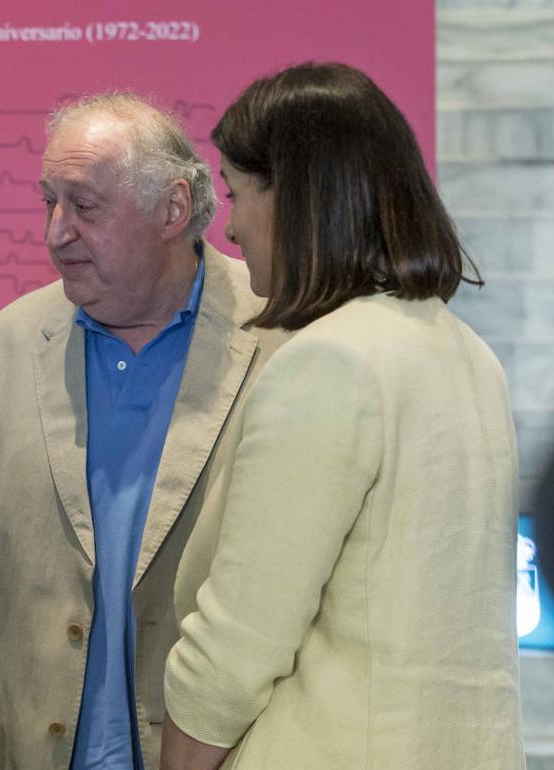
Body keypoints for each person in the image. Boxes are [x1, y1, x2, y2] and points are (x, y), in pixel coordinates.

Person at [160, 62, 524, 770]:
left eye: (237, 194)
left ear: (297, 196)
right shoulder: (467, 353)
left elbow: (240, 639)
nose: (231, 230)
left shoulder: (331, 361)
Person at [0, 92, 285, 770]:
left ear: (172, 210)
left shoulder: (281, 341)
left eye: (85, 207)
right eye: (48, 202)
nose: (55, 232)